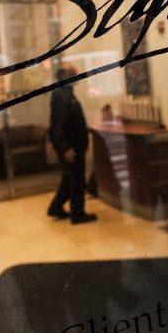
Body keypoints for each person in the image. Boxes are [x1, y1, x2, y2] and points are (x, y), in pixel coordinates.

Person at [46, 63, 97, 224]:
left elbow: (56, 121)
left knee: (70, 178)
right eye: (74, 74)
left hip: (71, 144)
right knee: (77, 180)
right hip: (71, 146)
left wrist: (54, 141)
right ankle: (78, 214)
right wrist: (65, 147)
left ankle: (55, 207)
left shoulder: (63, 92)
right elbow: (59, 123)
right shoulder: (63, 95)